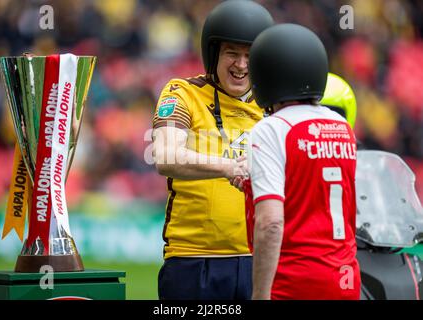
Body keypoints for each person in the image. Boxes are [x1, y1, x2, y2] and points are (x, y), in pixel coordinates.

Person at [152, 0, 274, 300]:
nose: (241, 64)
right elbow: (166, 156)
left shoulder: (274, 105)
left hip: (260, 260)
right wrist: (230, 167)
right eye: (232, 53)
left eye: (249, 55)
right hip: (192, 261)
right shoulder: (182, 92)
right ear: (213, 53)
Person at [247, 23, 361, 300]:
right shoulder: (342, 126)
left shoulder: (272, 128)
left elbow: (271, 223)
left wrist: (261, 295)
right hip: (345, 278)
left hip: (295, 282)